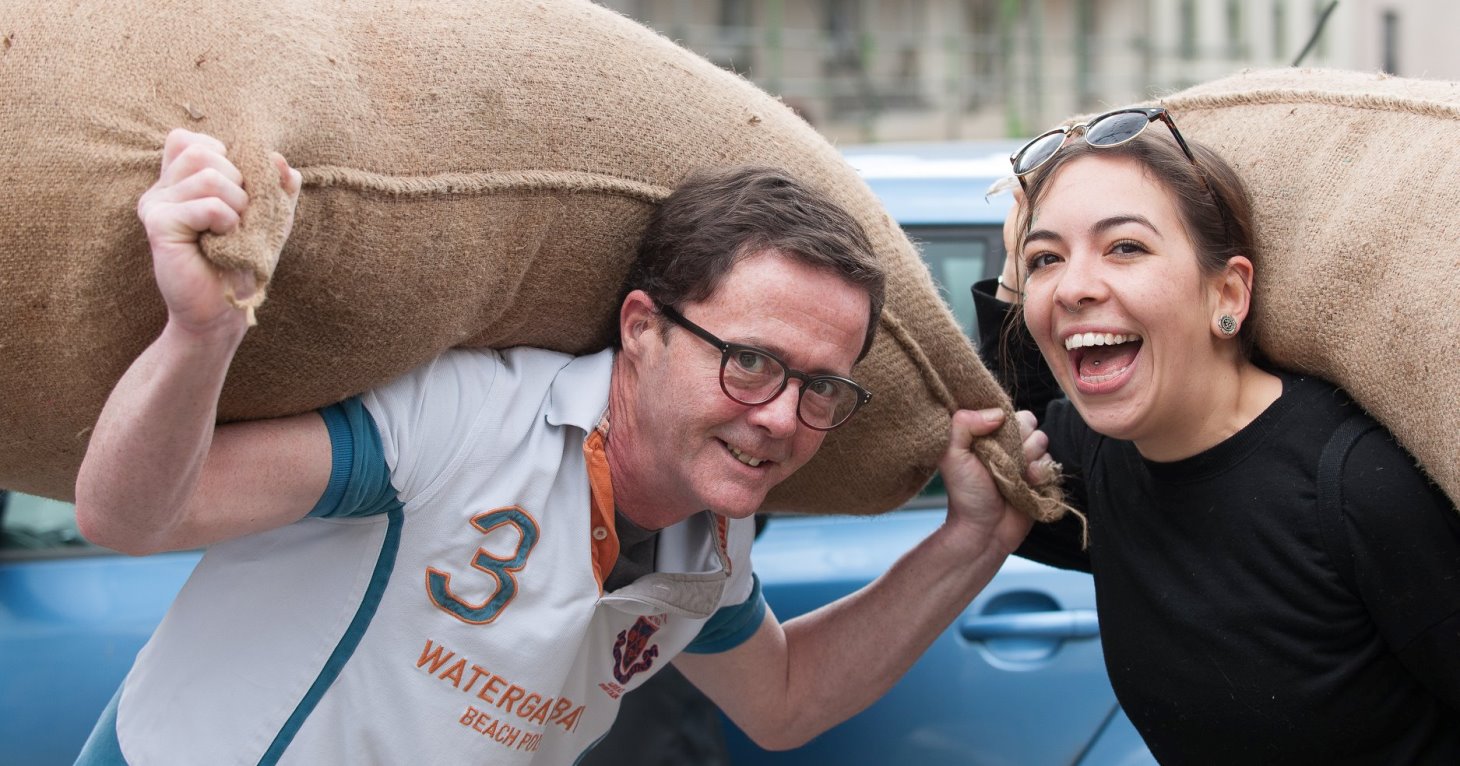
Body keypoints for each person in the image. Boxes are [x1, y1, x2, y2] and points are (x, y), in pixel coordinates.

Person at [73, 128, 1047, 765]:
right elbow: (129, 515)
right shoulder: (461, 425)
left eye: (819, 386)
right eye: (749, 361)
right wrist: (199, 334)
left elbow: (782, 699)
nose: (783, 418)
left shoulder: (709, 545)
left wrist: (969, 540)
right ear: (640, 327)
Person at [973, 107, 1460, 765]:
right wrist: (1012, 271)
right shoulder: (1103, 456)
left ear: (1227, 294)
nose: (1074, 288)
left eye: (1125, 247)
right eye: (1046, 259)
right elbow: (1003, 459)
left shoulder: (1354, 486)